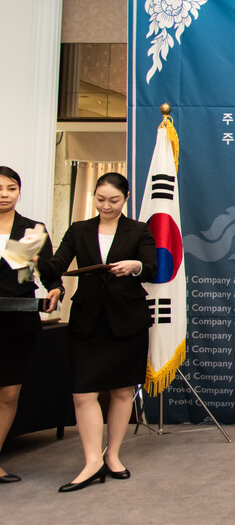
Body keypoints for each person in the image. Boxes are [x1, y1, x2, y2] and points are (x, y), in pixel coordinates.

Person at [44, 172, 156, 493]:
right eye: (100, 199)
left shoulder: (139, 230)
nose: (106, 206)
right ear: (93, 196)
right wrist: (42, 265)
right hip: (88, 320)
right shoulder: (78, 229)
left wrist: (134, 266)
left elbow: (152, 267)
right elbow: (56, 265)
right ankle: (92, 461)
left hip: (127, 321)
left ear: (126, 199)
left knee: (122, 391)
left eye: (114, 200)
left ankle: (113, 456)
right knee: (83, 393)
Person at [0, 167, 63, 484]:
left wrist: (55, 288)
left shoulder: (31, 230)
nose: (4, 194)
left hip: (17, 320)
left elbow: (48, 273)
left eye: (11, 188)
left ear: (19, 192)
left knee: (9, 393)